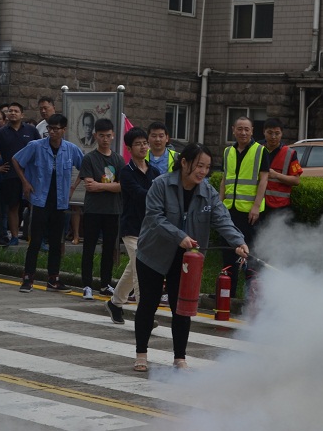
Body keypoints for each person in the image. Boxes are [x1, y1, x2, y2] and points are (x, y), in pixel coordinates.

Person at [134, 142, 248, 372]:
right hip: (153, 254)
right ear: (184, 162)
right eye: (199, 166)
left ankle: (179, 357)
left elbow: (222, 219)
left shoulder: (208, 192)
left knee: (182, 306)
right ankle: (141, 354)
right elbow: (155, 218)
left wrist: (238, 241)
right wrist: (180, 236)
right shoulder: (161, 185)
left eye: (207, 167)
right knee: (148, 303)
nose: (203, 172)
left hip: (187, 259)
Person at [13, 113, 84, 292]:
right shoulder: (36, 146)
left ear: (64, 130)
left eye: (56, 129)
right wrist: (25, 182)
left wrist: (73, 187)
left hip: (60, 202)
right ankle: (28, 278)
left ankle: (53, 279)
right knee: (35, 241)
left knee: (56, 242)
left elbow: (84, 167)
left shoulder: (71, 149)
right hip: (40, 200)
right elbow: (16, 160)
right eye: (50, 128)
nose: (52, 132)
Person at [106, 127, 158, 325]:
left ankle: (115, 303)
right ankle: (145, 315)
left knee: (133, 268)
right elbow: (139, 195)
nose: (143, 147)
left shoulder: (155, 171)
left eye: (145, 143)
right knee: (141, 271)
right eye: (138, 144)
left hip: (151, 229)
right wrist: (158, 196)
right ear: (129, 148)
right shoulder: (126, 173)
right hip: (132, 229)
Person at [75, 118, 124, 300]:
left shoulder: (118, 159)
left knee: (109, 249)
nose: (105, 139)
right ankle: (87, 285)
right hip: (93, 210)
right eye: (101, 135)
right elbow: (90, 185)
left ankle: (105, 284)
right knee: (88, 248)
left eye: (108, 135)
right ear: (95, 136)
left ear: (113, 136)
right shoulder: (89, 158)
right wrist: (111, 186)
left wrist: (100, 185)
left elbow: (122, 186)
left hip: (113, 210)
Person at [218, 116, 266, 297]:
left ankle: (250, 296)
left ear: (252, 131)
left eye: (247, 129)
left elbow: (264, 180)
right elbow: (224, 180)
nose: (243, 132)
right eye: (240, 129)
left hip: (250, 213)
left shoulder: (260, 151)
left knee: (250, 253)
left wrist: (256, 206)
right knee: (228, 254)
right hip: (229, 211)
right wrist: (219, 205)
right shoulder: (227, 151)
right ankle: (227, 294)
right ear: (233, 130)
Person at [0, 102, 39, 246]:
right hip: (10, 175)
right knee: (13, 206)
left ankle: (36, 238)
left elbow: (40, 149)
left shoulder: (31, 130)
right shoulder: (0, 133)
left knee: (34, 206)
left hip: (30, 176)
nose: (13, 113)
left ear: (22, 115)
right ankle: (14, 236)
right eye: (10, 111)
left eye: (16, 111)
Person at [260, 118, 302, 223]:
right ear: (264, 132)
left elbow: (296, 180)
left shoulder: (290, 153)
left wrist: (277, 175)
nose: (273, 137)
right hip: (258, 205)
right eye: (270, 133)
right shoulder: (256, 150)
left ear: (282, 134)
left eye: (277, 133)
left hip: (280, 207)